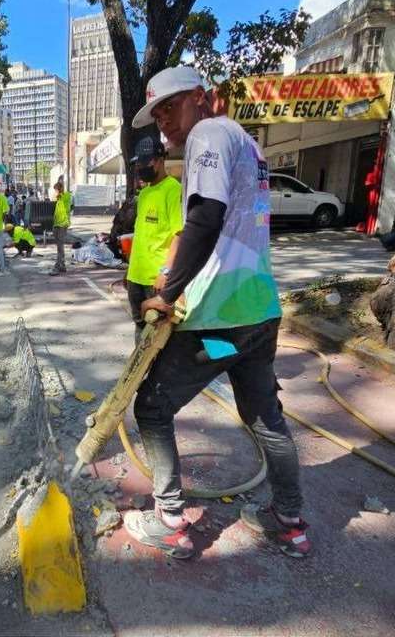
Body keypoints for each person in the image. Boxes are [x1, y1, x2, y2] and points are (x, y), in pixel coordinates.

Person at [122, 66, 310, 560]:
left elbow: (206, 215)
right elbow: (214, 224)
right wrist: (173, 268)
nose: (164, 121)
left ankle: (171, 524)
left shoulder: (207, 133)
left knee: (153, 407)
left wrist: (168, 294)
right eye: (157, 113)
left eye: (170, 106)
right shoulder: (248, 144)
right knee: (265, 416)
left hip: (217, 319)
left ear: (201, 98)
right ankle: (290, 523)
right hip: (257, 317)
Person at [125, 136, 183, 341]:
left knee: (159, 335)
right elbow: (143, 235)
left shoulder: (173, 190)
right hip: (136, 277)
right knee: (140, 331)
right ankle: (140, 373)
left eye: (144, 162)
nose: (140, 167)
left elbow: (179, 235)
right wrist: (130, 271)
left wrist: (165, 272)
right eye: (138, 163)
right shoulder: (145, 193)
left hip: (156, 281)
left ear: (159, 160)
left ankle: (158, 373)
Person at [49, 181, 72, 276]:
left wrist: (60, 195)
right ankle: (62, 265)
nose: (55, 192)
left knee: (60, 247)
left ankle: (57, 266)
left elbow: (66, 208)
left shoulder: (66, 196)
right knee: (59, 246)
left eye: (56, 190)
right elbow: (57, 213)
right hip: (57, 224)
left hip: (63, 224)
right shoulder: (59, 199)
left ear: (60, 189)